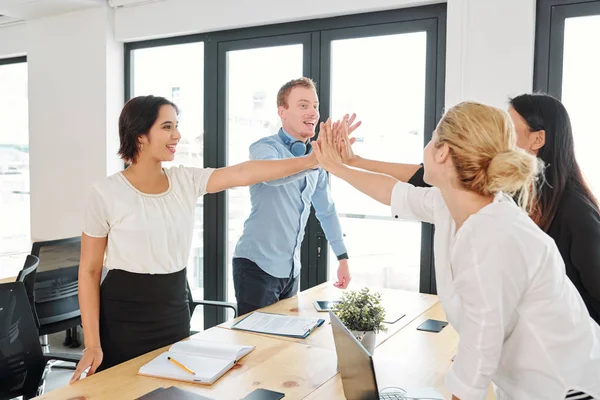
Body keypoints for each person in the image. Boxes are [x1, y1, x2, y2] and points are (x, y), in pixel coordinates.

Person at [312, 102, 600, 399]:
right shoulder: (454, 204)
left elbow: (479, 352)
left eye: (433, 135)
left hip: (569, 388)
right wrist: (336, 166)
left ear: (442, 152)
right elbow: (392, 192)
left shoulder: (492, 234)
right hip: (529, 383)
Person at [70, 95, 321, 382]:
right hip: (122, 315)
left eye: (176, 125)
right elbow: (89, 271)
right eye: (166, 127)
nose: (176, 135)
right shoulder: (105, 192)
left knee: (172, 388)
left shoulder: (184, 181)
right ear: (140, 135)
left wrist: (310, 160)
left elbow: (243, 172)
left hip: (173, 308)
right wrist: (92, 343)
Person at [335, 93, 600, 326]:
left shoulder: (576, 213)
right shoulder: (500, 194)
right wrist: (354, 161)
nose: (500, 137)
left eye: (509, 128)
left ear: (538, 139)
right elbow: (419, 179)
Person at [231, 77, 360, 316]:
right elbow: (274, 176)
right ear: (282, 111)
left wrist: (342, 258)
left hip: (290, 270)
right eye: (303, 105)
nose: (312, 112)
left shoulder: (315, 160)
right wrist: (315, 160)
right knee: (258, 345)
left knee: (284, 343)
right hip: (256, 266)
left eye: (315, 106)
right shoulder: (263, 148)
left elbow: (326, 210)